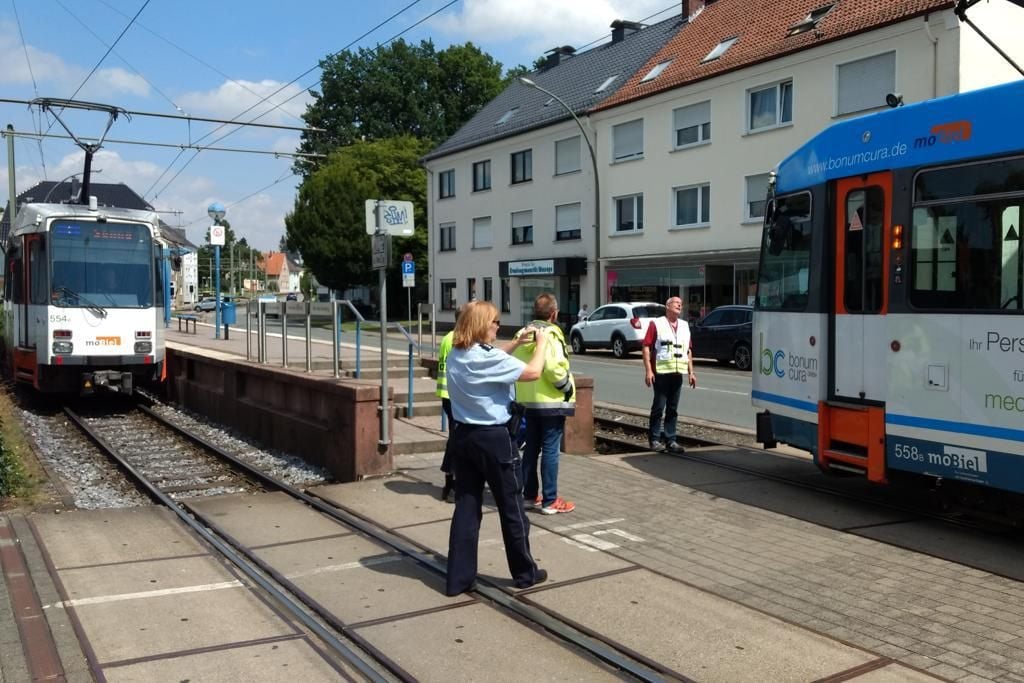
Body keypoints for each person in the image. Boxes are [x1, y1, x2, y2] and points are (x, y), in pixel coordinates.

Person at [444, 300, 549, 596]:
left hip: (463, 437)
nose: (498, 326)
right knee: (511, 505)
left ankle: (459, 579)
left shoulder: (457, 353)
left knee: (466, 506)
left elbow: (493, 358)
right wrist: (541, 343)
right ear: (480, 325)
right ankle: (525, 573)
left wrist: (515, 343)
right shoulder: (483, 357)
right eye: (494, 322)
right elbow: (532, 372)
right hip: (493, 439)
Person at [513, 293, 576, 515]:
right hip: (550, 401)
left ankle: (529, 496)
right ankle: (550, 500)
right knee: (550, 449)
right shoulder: (552, 333)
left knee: (530, 449)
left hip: (527, 401)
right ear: (554, 313)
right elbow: (553, 367)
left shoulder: (522, 333)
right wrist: (566, 387)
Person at [642, 296, 697, 452]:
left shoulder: (685, 326)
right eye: (676, 303)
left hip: (677, 373)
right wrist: (648, 370)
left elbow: (688, 351)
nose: (679, 305)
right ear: (667, 306)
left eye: (681, 303)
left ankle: (670, 440)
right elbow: (646, 347)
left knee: (673, 408)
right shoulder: (657, 324)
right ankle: (654, 439)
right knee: (659, 407)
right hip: (661, 373)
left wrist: (691, 372)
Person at [436, 304, 466, 502]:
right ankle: (452, 484)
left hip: (447, 394)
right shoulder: (459, 339)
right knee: (457, 440)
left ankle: (451, 481)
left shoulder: (448, 337)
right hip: (454, 395)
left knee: (456, 438)